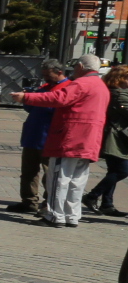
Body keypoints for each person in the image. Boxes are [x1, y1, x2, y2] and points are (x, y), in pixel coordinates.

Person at [13, 52, 110, 228]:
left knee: (59, 178)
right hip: (88, 140)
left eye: (75, 66)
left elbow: (58, 98)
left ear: (80, 66)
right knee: (77, 180)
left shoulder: (81, 83)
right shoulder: (101, 86)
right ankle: (72, 216)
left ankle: (55, 215)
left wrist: (27, 97)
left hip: (69, 139)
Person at [7, 59, 65, 216]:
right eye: (43, 75)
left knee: (50, 175)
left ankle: (48, 204)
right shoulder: (44, 87)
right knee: (28, 172)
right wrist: (26, 97)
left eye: (48, 75)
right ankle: (29, 201)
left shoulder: (65, 88)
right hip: (33, 135)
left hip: (50, 138)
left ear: (59, 72)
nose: (45, 78)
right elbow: (31, 107)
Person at [80, 65, 128, 217]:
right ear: (120, 79)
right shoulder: (119, 95)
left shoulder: (114, 92)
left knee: (114, 171)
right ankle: (92, 196)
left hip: (116, 137)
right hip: (115, 139)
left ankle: (107, 204)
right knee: (122, 170)